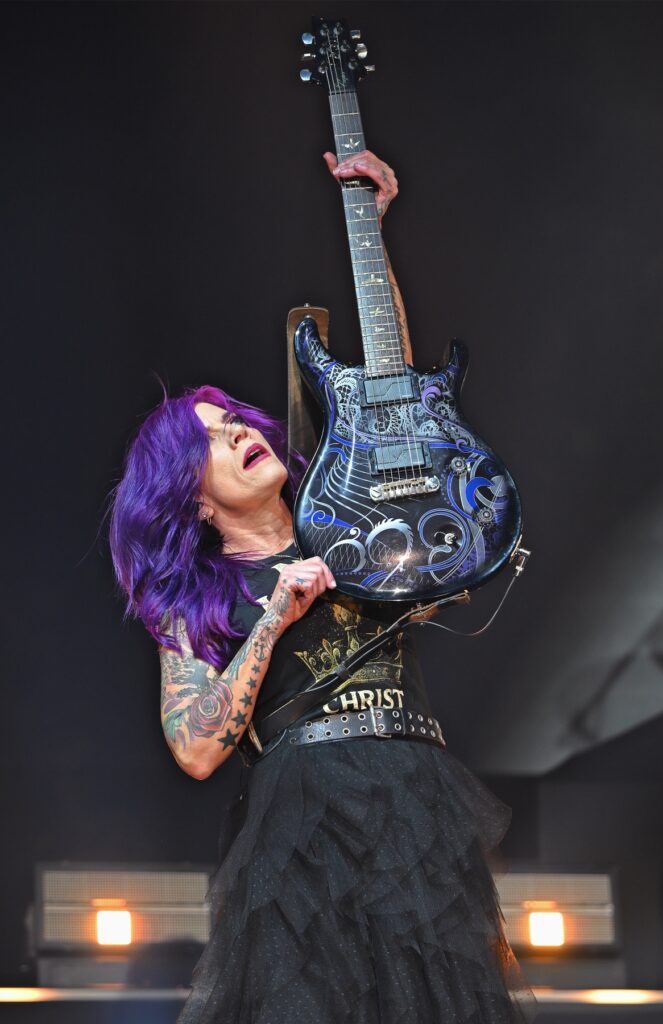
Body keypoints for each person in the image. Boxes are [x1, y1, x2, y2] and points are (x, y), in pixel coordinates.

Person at [110, 151, 533, 1023]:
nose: (238, 433)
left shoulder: (349, 518)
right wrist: (271, 620)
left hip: (416, 794)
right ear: (189, 496)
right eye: (211, 440)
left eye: (235, 420)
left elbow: (396, 402)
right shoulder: (196, 599)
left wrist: (370, 228)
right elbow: (195, 751)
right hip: (304, 819)